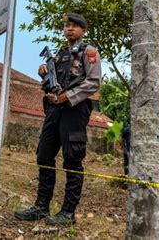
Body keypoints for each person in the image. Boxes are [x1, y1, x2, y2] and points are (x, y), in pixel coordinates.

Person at [14, 13, 101, 225]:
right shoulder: (60, 53)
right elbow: (51, 80)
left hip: (74, 109)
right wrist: (43, 70)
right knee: (44, 155)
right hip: (54, 110)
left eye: (75, 26)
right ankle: (41, 207)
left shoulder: (89, 52)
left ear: (83, 30)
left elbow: (93, 82)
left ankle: (68, 213)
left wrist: (67, 96)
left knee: (72, 159)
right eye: (67, 26)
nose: (70, 29)